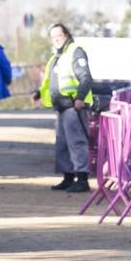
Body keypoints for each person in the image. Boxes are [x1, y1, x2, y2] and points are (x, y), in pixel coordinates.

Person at [33, 23, 94, 194]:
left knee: (76, 143)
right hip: (61, 106)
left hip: (74, 105)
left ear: (66, 34)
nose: (56, 40)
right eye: (53, 37)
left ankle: (82, 179)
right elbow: (50, 82)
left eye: (58, 36)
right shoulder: (56, 57)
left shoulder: (76, 51)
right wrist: (39, 93)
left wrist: (80, 97)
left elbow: (86, 77)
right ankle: (68, 177)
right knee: (62, 145)